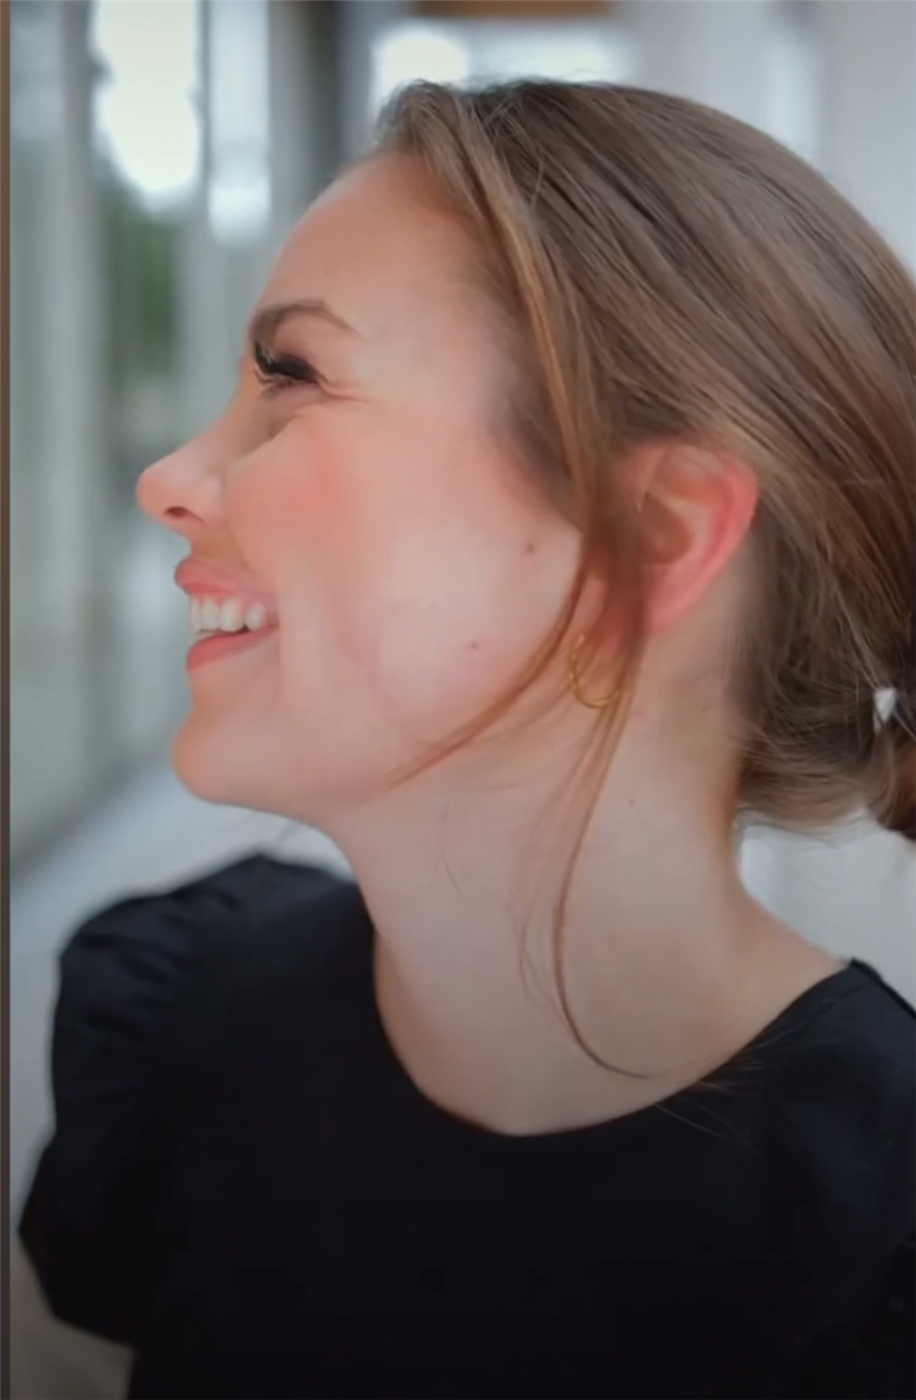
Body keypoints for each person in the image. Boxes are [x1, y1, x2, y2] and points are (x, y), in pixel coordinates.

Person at [16, 80, 915, 1400]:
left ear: (650, 537)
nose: (169, 479)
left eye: (293, 380)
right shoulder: (171, 1028)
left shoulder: (882, 1252)